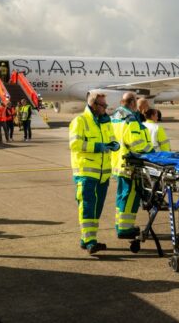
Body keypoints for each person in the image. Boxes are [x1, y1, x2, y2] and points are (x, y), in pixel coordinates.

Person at [69, 92, 119, 254]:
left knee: (97, 208)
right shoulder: (80, 121)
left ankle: (86, 239)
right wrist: (97, 147)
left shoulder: (106, 122)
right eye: (103, 105)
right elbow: (75, 144)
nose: (106, 108)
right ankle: (90, 241)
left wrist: (114, 145)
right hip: (86, 171)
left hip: (103, 173)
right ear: (93, 105)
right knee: (88, 206)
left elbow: (112, 138)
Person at [111, 92, 153, 239]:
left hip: (118, 162)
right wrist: (151, 153)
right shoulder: (130, 119)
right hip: (130, 164)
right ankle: (125, 228)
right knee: (130, 196)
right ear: (133, 103)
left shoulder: (114, 116)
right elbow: (137, 144)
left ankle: (119, 224)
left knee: (122, 195)